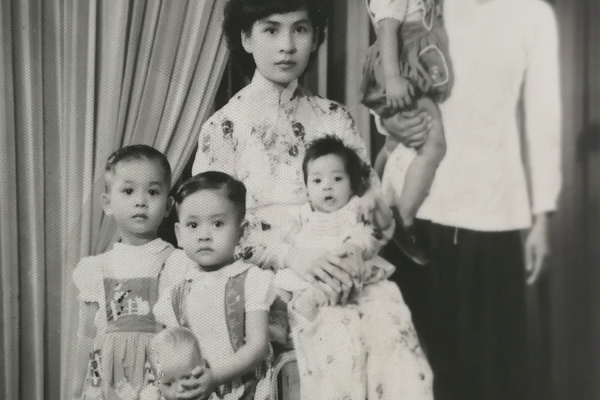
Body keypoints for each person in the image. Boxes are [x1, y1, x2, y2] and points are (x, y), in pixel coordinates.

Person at [192, 1, 429, 399]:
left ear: (315, 36)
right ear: (246, 38)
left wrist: (352, 256)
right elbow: (214, 233)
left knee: (389, 324)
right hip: (264, 285)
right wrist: (296, 258)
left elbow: (372, 212)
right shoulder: (223, 128)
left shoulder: (335, 118)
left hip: (343, 272)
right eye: (271, 30)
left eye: (300, 29)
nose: (287, 45)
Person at [377, 0, 562, 399]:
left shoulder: (532, 16)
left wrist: (543, 218)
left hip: (493, 207)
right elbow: (394, 75)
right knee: (423, 365)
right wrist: (389, 120)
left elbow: (544, 118)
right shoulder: (429, 7)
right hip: (422, 211)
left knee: (491, 363)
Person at [244, 136, 432, 400]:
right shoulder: (301, 216)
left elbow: (370, 233)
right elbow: (278, 243)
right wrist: (291, 253)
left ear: (352, 183)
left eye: (337, 178)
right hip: (310, 272)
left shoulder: (355, 210)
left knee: (382, 304)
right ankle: (279, 320)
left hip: (348, 271)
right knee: (282, 288)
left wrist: (355, 246)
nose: (327, 186)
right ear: (306, 187)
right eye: (317, 181)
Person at [72, 145, 184, 400]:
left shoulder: (176, 262)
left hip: (157, 376)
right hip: (107, 379)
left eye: (153, 192)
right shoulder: (96, 268)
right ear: (107, 203)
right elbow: (86, 336)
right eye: (128, 191)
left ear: (168, 206)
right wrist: (76, 391)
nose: (140, 201)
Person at [153, 172, 274, 400]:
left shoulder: (252, 280)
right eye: (193, 225)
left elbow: (258, 346)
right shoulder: (176, 293)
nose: (204, 235)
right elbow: (165, 353)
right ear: (179, 234)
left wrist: (215, 377)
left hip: (245, 391)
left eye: (217, 224)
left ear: (241, 231)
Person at [361, 0, 454, 265]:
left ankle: (372, 199)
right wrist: (393, 78)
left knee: (391, 145)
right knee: (433, 146)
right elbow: (387, 29)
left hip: (410, 66)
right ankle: (404, 217)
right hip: (405, 71)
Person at [143, 327, 206, 400]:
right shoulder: (153, 396)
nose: (179, 390)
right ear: (156, 381)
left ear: (202, 368)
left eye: (187, 378)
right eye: (169, 384)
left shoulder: (206, 393)